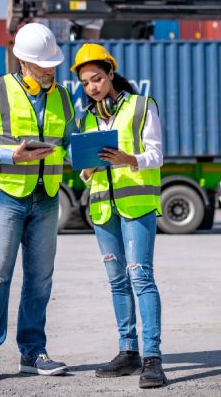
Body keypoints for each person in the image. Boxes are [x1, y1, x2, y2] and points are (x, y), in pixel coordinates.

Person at [0, 23, 76, 384]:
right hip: (5, 196)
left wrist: (92, 154)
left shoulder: (62, 96)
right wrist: (12, 155)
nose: (49, 70)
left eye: (52, 64)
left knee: (40, 280)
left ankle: (32, 352)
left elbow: (70, 142)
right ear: (22, 62)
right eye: (42, 65)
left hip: (46, 197)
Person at [70, 43, 167, 389]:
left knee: (140, 277)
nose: (93, 87)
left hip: (136, 205)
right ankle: (128, 352)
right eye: (85, 83)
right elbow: (82, 171)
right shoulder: (85, 117)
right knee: (117, 281)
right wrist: (87, 168)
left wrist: (129, 159)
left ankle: (153, 358)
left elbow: (157, 154)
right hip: (102, 208)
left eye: (97, 78)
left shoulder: (142, 107)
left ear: (112, 73)